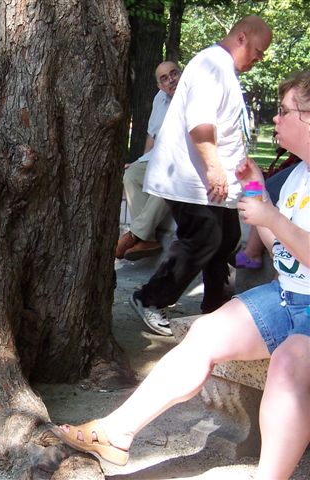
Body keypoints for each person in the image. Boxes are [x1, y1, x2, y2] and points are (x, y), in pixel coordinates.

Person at [52, 69, 310, 480]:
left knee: (289, 363)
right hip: (288, 297)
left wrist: (272, 219)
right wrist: (258, 191)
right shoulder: (298, 175)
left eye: (284, 111)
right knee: (204, 333)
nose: (275, 119)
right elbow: (279, 245)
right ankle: (116, 434)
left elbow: (283, 234)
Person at [129, 15, 272, 336]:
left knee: (225, 241)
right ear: (241, 38)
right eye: (258, 51)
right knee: (203, 238)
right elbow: (200, 123)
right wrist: (214, 166)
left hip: (211, 182)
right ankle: (149, 298)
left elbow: (227, 128)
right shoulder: (211, 65)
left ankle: (216, 306)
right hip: (192, 181)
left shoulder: (222, 70)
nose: (257, 59)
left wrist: (240, 166)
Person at [116, 61, 180, 261]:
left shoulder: (192, 96)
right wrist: (142, 161)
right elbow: (152, 136)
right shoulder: (159, 99)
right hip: (158, 156)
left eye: (174, 74)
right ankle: (149, 238)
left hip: (181, 162)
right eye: (164, 79)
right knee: (132, 174)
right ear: (159, 86)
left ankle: (134, 235)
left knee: (166, 180)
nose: (171, 80)